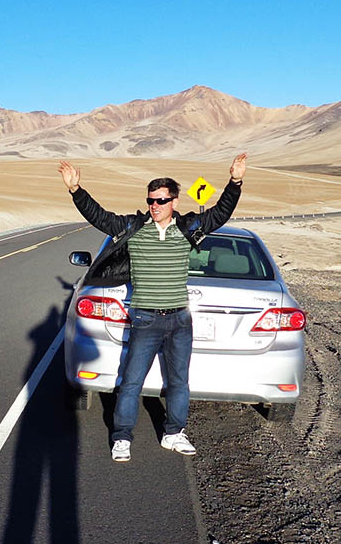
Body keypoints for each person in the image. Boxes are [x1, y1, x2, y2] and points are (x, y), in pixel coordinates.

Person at [57, 154, 247, 462]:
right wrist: (76, 190)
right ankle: (122, 437)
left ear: (173, 201)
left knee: (179, 381)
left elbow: (220, 213)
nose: (154, 206)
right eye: (150, 200)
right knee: (132, 380)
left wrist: (235, 183)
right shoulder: (134, 228)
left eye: (160, 200)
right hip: (145, 319)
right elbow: (99, 216)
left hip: (180, 321)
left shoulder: (188, 229)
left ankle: (174, 433)